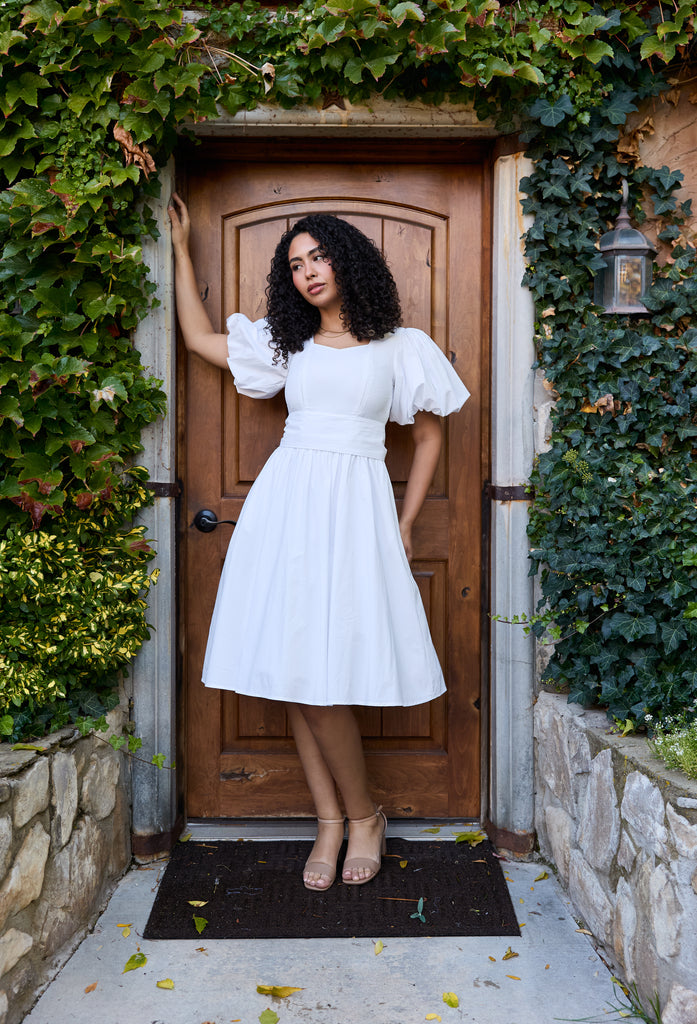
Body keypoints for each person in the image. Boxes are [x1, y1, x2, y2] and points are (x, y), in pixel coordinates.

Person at [168, 194, 469, 891]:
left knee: (324, 673)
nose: (307, 272)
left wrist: (401, 521)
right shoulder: (288, 342)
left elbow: (428, 437)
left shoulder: (401, 347)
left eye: (318, 256)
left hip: (357, 509)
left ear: (347, 259)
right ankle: (331, 820)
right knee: (298, 668)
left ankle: (362, 816)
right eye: (295, 264)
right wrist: (182, 252)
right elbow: (199, 342)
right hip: (286, 507)